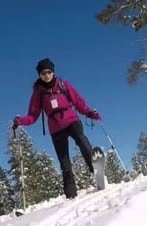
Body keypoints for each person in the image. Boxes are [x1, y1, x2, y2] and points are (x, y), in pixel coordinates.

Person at [13, 58, 102, 199]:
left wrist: (90, 113)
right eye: (43, 73)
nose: (47, 75)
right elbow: (32, 116)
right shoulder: (38, 93)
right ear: (39, 75)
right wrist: (20, 121)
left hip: (71, 119)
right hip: (55, 128)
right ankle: (71, 194)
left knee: (81, 139)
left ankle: (96, 170)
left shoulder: (63, 85)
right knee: (64, 161)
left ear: (53, 72)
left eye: (49, 72)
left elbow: (79, 102)